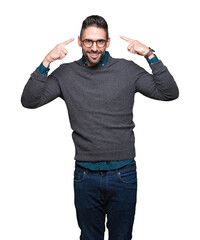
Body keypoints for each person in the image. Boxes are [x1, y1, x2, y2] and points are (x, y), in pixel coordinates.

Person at [21, 15, 179, 240]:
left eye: (100, 42)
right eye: (88, 42)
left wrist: (150, 55)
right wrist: (46, 62)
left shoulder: (127, 70)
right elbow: (30, 101)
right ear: (79, 41)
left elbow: (169, 93)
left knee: (121, 237)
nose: (94, 48)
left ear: (108, 42)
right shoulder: (66, 74)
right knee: (89, 237)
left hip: (123, 173)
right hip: (85, 175)